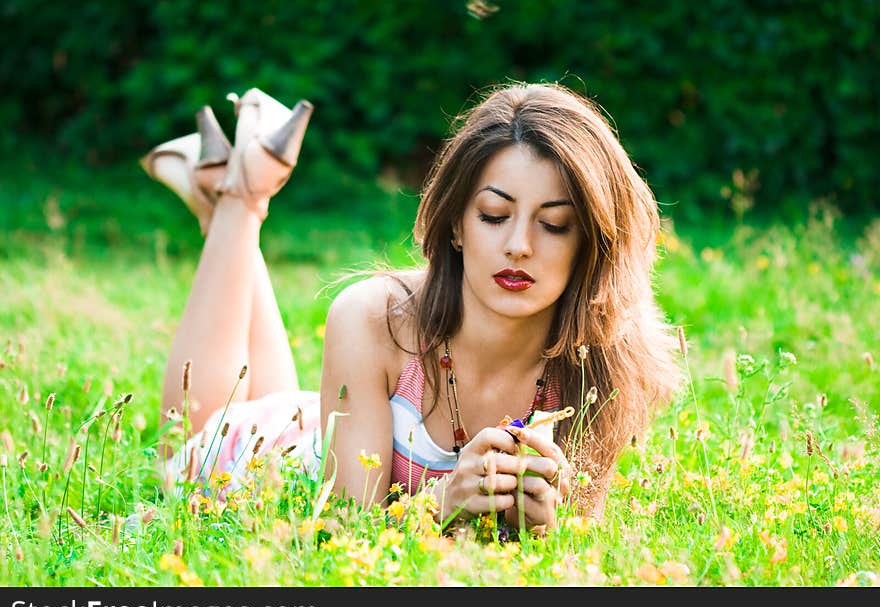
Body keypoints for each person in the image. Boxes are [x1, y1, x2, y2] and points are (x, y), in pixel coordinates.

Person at [141, 82, 680, 534]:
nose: (520, 245)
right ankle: (240, 196)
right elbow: (346, 531)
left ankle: (229, 184)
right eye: (494, 215)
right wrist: (442, 503)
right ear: (456, 225)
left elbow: (578, 533)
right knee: (181, 453)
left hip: (334, 423)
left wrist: (545, 524)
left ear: (591, 243)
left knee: (283, 399)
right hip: (266, 459)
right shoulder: (375, 318)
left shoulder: (607, 363)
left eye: (555, 224)